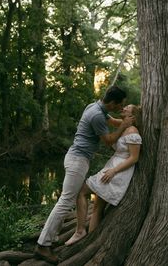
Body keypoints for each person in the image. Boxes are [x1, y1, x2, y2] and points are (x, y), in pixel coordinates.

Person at [34, 86, 134, 264]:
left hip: (76, 158)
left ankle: (59, 235)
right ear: (111, 102)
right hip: (77, 160)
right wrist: (124, 126)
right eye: (120, 105)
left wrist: (128, 122)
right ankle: (43, 245)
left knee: (73, 195)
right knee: (65, 201)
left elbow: (113, 123)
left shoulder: (95, 107)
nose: (121, 108)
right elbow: (109, 140)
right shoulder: (96, 115)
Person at [64, 104, 142, 246]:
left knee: (82, 191)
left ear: (133, 116)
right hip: (111, 167)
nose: (123, 108)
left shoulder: (133, 131)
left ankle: (81, 232)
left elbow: (133, 158)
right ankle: (91, 240)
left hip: (117, 172)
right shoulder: (125, 125)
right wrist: (99, 105)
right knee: (97, 207)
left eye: (127, 108)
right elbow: (110, 120)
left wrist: (114, 171)